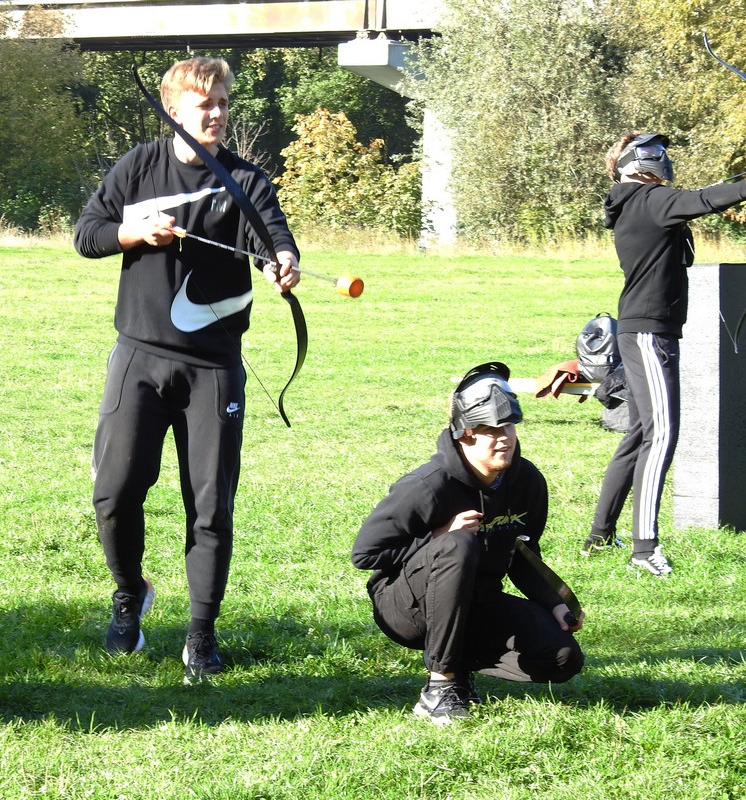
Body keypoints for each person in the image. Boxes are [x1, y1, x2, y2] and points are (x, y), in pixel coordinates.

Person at [73, 56, 300, 684]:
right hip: (139, 356)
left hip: (213, 369)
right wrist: (133, 231)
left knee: (209, 505)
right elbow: (87, 234)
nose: (218, 114)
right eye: (206, 105)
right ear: (174, 111)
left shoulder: (245, 180)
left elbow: (273, 237)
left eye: (223, 103)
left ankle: (201, 634)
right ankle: (130, 594)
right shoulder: (139, 167)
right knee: (115, 492)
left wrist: (283, 262)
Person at [351, 362, 584, 724]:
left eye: (509, 426)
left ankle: (459, 668)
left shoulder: (527, 482)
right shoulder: (427, 485)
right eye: (490, 430)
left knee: (562, 657)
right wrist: (438, 536)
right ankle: (439, 686)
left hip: (476, 602)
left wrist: (556, 601)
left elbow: (522, 554)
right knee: (457, 545)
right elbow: (366, 554)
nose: (504, 438)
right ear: (464, 434)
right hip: (405, 609)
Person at [581, 132, 746, 576]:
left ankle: (599, 535)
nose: (664, 158)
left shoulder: (636, 202)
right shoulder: (648, 200)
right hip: (650, 335)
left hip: (641, 331)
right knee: (662, 433)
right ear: (634, 163)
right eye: (654, 151)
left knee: (640, 433)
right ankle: (644, 549)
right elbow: (706, 199)